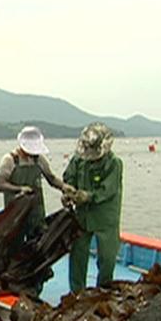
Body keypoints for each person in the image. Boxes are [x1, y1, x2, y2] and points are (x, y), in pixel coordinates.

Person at [62, 122, 124, 293]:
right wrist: (68, 193)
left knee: (107, 258)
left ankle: (103, 292)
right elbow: (69, 177)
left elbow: (108, 190)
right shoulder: (78, 160)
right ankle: (77, 293)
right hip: (82, 217)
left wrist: (88, 196)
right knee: (77, 256)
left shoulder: (114, 163)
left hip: (105, 218)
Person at [0, 126, 74, 247]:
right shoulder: (10, 160)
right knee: (14, 245)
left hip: (36, 212)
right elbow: (1, 184)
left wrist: (64, 186)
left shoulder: (39, 160)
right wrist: (20, 189)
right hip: (16, 212)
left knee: (38, 243)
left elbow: (51, 178)